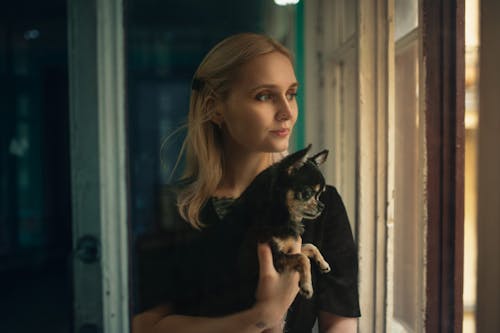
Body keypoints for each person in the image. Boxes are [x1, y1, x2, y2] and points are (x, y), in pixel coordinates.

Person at [132, 32, 360, 333]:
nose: (286, 111)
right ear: (215, 108)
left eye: (291, 93)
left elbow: (341, 326)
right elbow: (146, 326)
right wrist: (260, 318)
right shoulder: (178, 209)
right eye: (264, 95)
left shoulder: (321, 205)